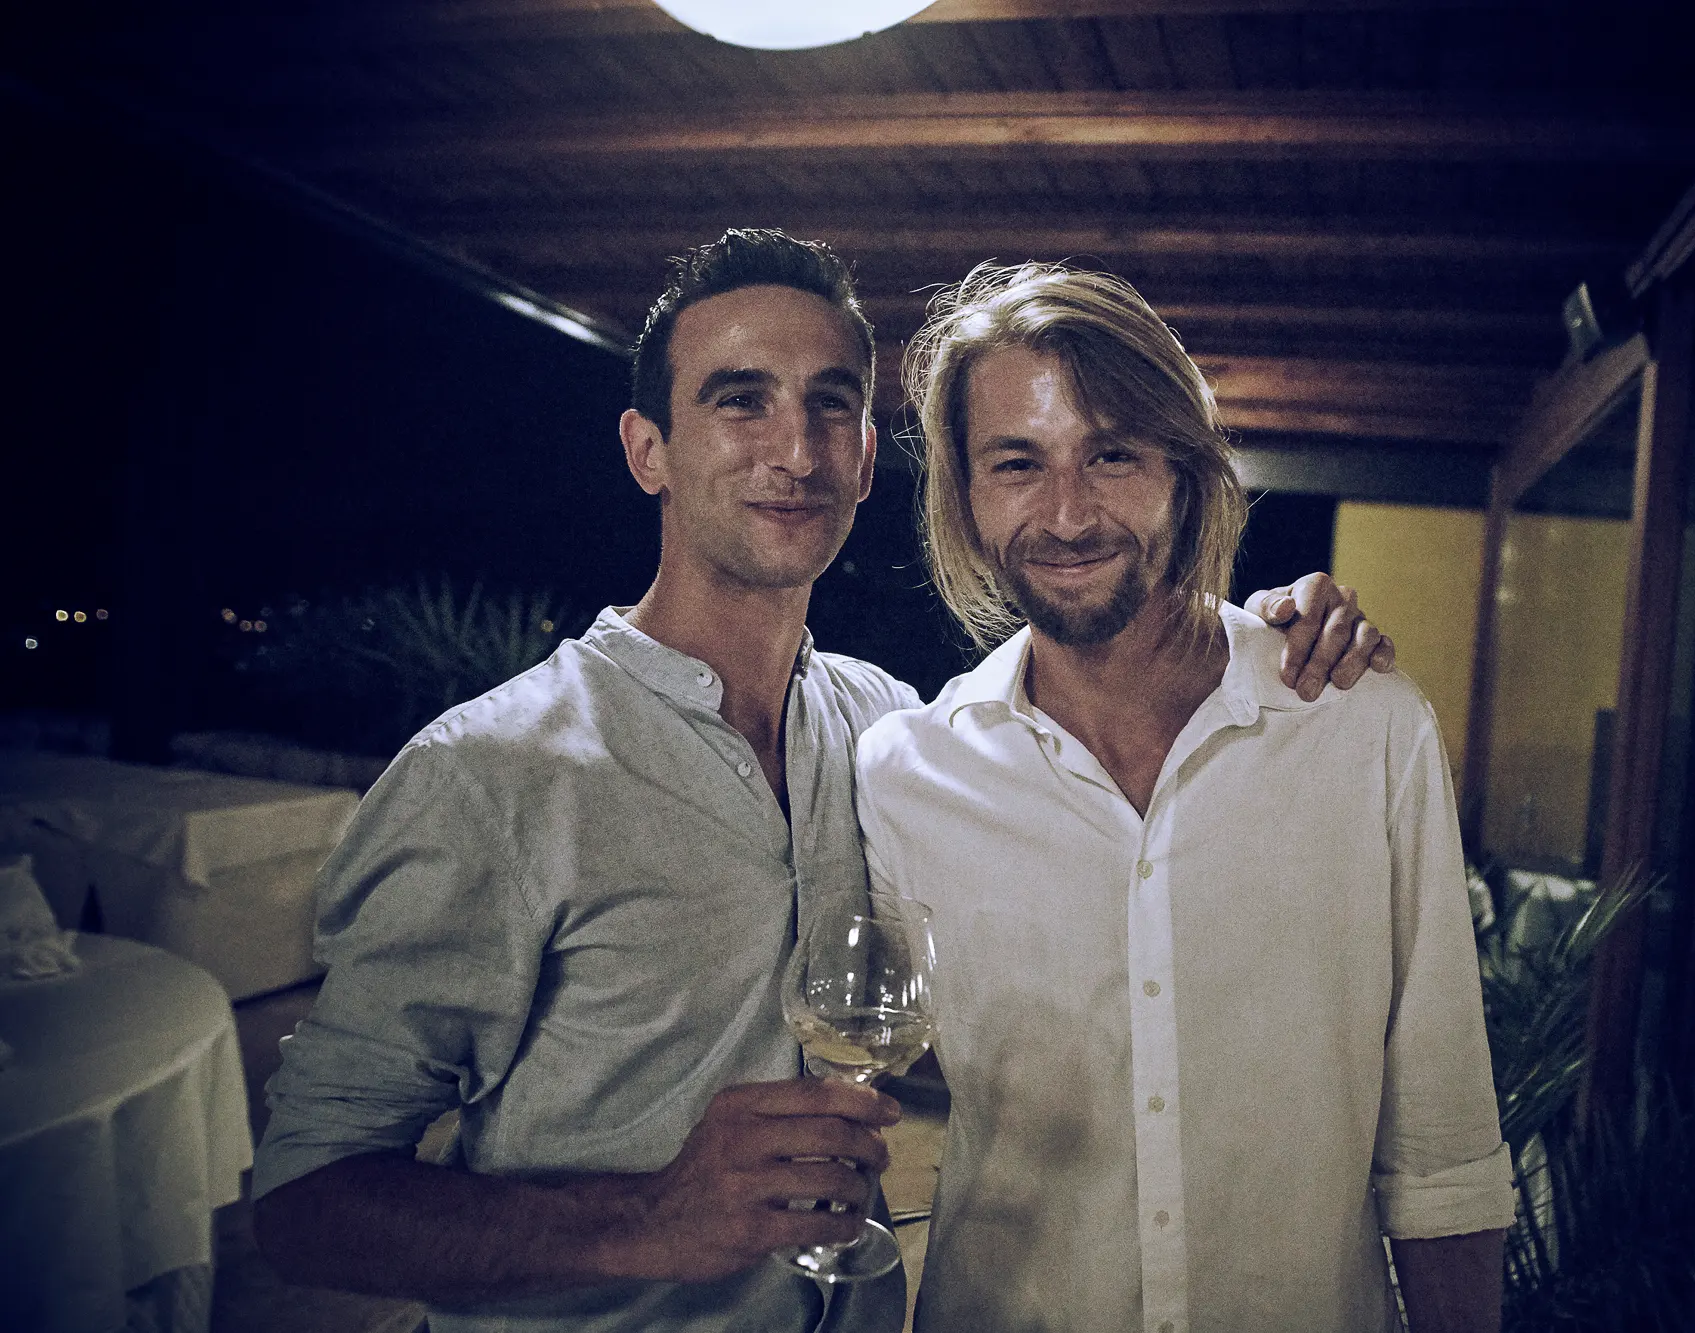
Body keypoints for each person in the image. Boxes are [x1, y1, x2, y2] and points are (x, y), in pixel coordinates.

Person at [251, 230, 1393, 1333]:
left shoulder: (890, 731)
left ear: (863, 454)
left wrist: (1262, 633)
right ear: (647, 448)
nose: (793, 450)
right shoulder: (490, 771)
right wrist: (647, 1218)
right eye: (739, 398)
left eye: (830, 403)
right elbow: (305, 1207)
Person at [855, 262, 1514, 1333]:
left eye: (1110, 454)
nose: (1066, 513)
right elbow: (881, 1077)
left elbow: (1442, 1156)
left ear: (1183, 468)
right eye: (1015, 462)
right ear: (964, 497)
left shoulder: (1361, 729)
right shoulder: (901, 777)